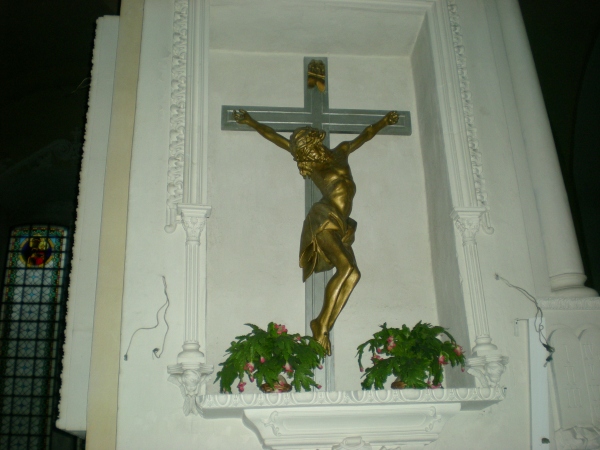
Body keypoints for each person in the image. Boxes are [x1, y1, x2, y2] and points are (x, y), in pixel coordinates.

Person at [234, 109, 399, 354]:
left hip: (341, 222)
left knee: (353, 274)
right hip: (323, 218)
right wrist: (250, 121)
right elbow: (275, 137)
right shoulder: (313, 166)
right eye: (303, 153)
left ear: (316, 142)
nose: (307, 155)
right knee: (346, 268)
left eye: (308, 149)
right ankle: (320, 325)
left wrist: (385, 121)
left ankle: (323, 325)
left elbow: (366, 134)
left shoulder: (342, 151)